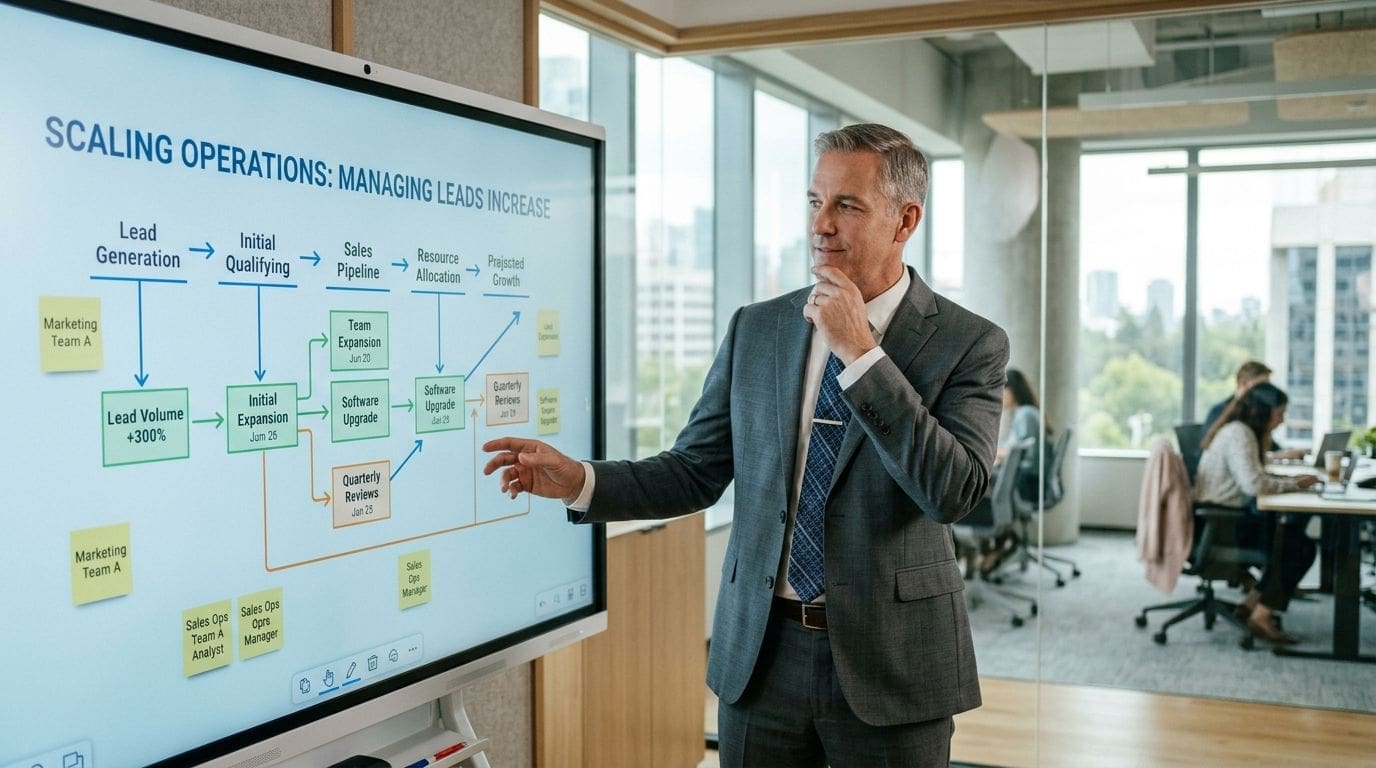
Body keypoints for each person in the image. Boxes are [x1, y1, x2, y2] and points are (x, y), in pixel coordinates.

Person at [483, 123, 1008, 767]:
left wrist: (861, 352)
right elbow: (695, 472)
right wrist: (582, 482)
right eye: (814, 202)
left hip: (892, 665)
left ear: (904, 221)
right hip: (762, 659)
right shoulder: (757, 327)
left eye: (847, 205)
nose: (822, 224)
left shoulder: (971, 343)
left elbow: (953, 491)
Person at [1194, 382, 1319, 644]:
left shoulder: (1240, 431)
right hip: (1221, 525)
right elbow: (1253, 484)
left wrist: (1290, 481)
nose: (1281, 421)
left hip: (1220, 520)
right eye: (1279, 414)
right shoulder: (1240, 434)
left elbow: (1254, 474)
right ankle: (1261, 614)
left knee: (1291, 535)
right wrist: (1294, 484)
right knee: (1296, 546)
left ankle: (1253, 606)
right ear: (1263, 412)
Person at [976, 368, 1052, 574]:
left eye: (1002, 390)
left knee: (981, 484)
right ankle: (999, 545)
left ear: (1013, 390)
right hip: (1028, 479)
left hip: (1027, 482)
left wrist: (994, 454)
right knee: (990, 481)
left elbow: (1017, 453)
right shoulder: (1026, 412)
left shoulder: (1025, 414)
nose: (1000, 396)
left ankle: (990, 546)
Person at [1202, 360, 1304, 461]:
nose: (1267, 391)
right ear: (1243, 383)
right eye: (1261, 386)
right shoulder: (1220, 412)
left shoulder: (1255, 416)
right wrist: (1277, 456)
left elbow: (1268, 447)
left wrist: (1285, 452)